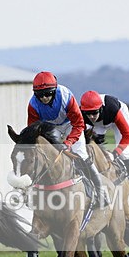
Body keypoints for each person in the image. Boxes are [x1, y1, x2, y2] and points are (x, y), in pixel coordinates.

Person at [27, 71, 108, 207]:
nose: (44, 98)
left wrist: (69, 142)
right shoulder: (33, 105)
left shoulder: (66, 96)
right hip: (52, 128)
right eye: (40, 95)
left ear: (55, 90)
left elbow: (79, 124)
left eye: (48, 93)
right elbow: (33, 130)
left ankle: (100, 193)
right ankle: (34, 193)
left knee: (81, 156)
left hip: (71, 125)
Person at [79, 90, 129, 207]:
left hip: (115, 116)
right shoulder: (82, 114)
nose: (91, 116)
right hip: (100, 122)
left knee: (124, 153)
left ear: (100, 108)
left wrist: (115, 154)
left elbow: (128, 135)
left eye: (94, 113)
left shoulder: (113, 110)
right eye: (88, 113)